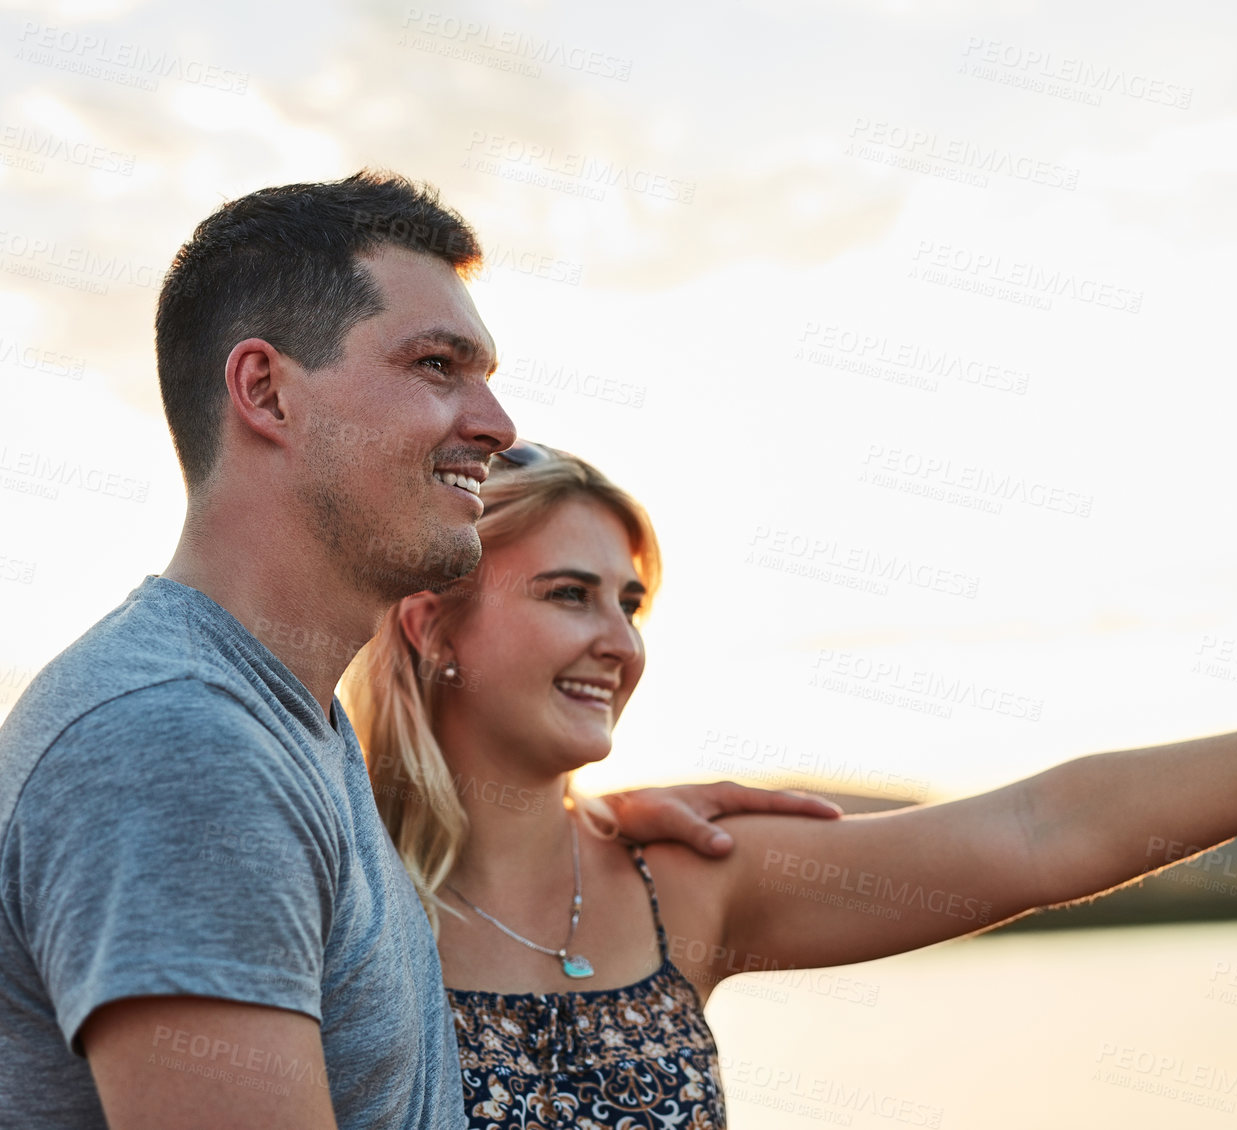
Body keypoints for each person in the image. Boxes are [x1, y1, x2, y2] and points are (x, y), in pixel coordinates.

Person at [349, 438, 1237, 1130]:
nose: (620, 641)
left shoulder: (679, 880)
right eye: (569, 595)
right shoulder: (318, 883)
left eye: (631, 603)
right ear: (430, 623)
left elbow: (1046, 828)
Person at [0, 173, 836, 1130]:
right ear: (267, 392)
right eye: (438, 365)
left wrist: (578, 827)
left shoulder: (278, 726)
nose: (496, 424)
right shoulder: (183, 743)